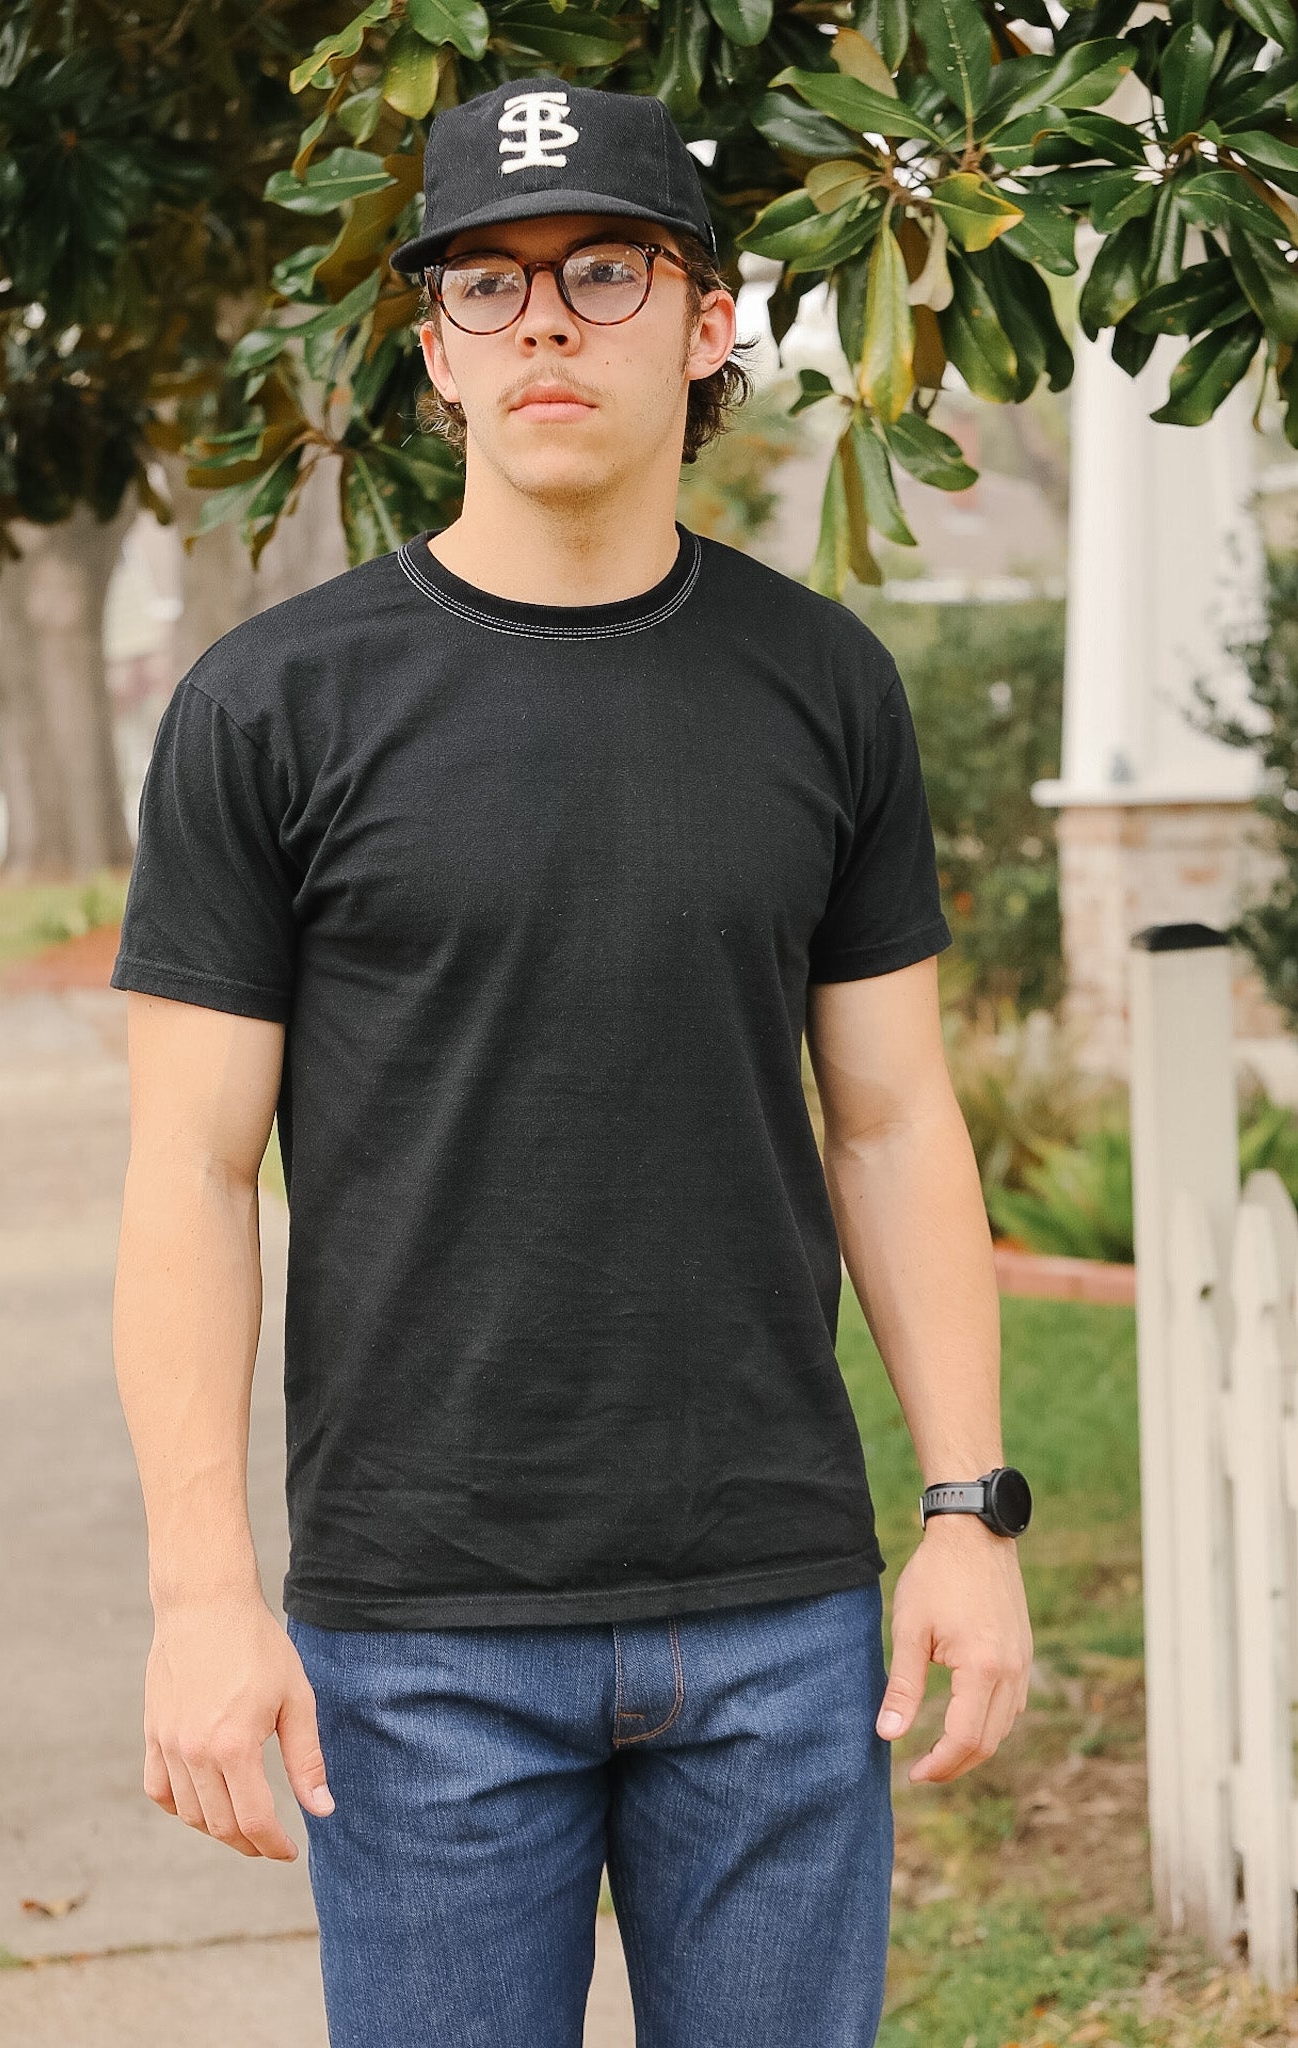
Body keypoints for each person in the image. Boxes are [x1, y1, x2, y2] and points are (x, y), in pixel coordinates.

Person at [110, 70, 1035, 2048]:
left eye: (601, 269)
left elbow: (889, 1119)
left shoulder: (822, 688)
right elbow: (186, 1171)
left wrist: (969, 1512)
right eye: (483, 279)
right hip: (418, 1634)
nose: (540, 320)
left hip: (776, 1619)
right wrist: (201, 1587)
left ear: (708, 325)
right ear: (430, 350)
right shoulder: (271, 709)